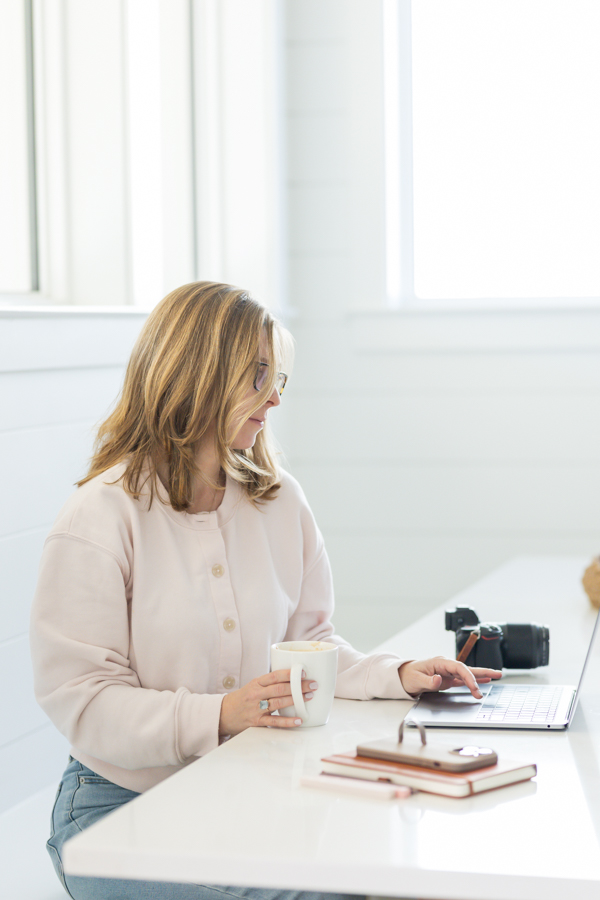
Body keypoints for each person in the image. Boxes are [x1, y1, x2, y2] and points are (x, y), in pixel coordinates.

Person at [30, 281, 502, 900]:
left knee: (377, 879)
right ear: (196, 375)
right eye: (258, 376)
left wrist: (402, 674)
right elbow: (83, 702)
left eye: (278, 378)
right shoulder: (100, 516)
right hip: (117, 807)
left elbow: (310, 647)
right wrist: (221, 715)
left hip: (246, 787)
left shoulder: (278, 502)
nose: (275, 398)